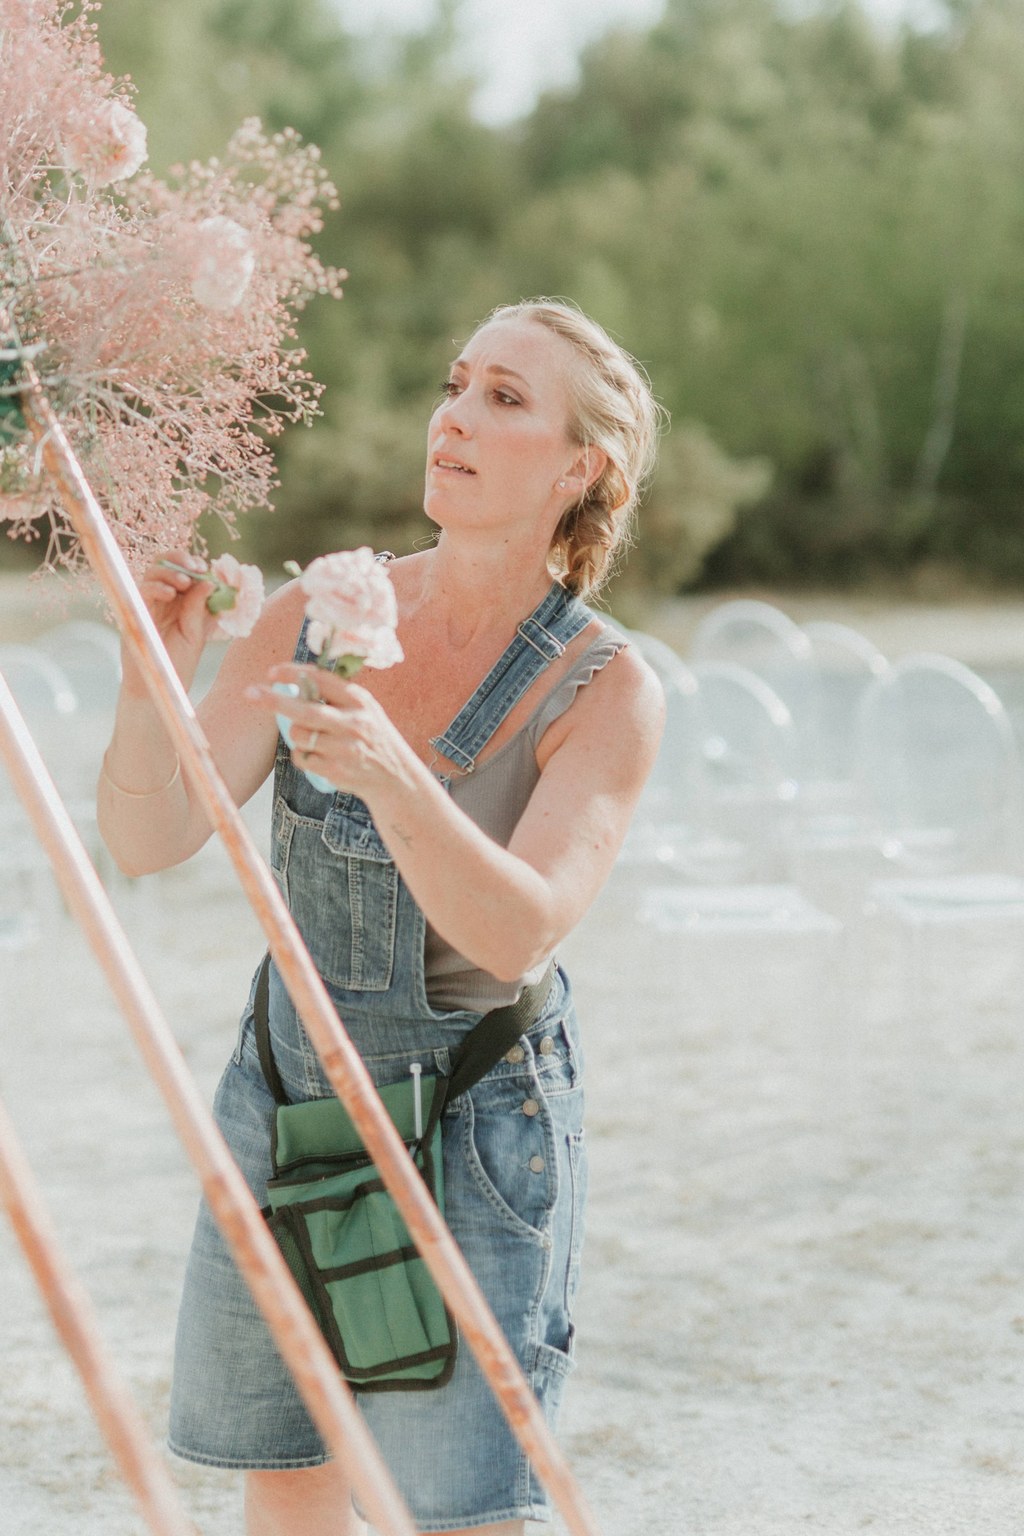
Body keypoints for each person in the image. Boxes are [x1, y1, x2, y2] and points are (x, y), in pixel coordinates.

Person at [97, 297, 666, 1536]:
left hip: (471, 1119)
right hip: (288, 1096)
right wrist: (155, 672)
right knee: (289, 1473)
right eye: (456, 384)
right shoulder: (319, 608)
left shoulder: (606, 686)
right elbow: (149, 839)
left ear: (583, 468)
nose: (453, 417)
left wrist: (389, 770)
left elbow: (520, 931)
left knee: (453, 1510)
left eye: (505, 399)